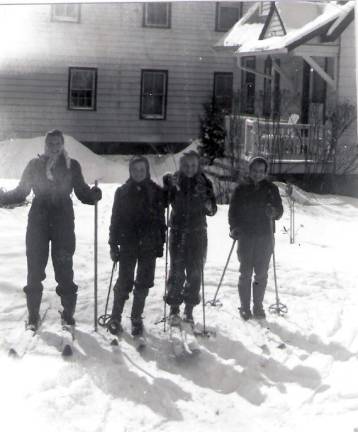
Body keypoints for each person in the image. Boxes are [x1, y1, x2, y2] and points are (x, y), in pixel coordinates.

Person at [0, 130, 102, 330]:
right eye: (50, 144)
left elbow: (82, 192)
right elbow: (22, 192)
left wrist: (93, 195)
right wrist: (2, 198)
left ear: (62, 145)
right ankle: (32, 316)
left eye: (57, 143)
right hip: (38, 221)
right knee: (35, 268)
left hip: (63, 220)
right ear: (45, 145)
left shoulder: (72, 166)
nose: (54, 147)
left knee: (64, 268)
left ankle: (68, 315)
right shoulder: (34, 165)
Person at [108, 156, 165, 338]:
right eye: (135, 170)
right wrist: (113, 243)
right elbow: (115, 219)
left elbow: (160, 220)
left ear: (147, 171)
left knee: (143, 282)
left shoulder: (156, 191)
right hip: (128, 243)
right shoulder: (122, 192)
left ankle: (136, 318)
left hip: (148, 244)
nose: (138, 173)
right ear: (130, 171)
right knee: (124, 280)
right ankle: (115, 316)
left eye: (142, 170)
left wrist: (160, 242)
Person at [163, 150, 217, 326]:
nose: (189, 169)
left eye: (193, 165)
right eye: (186, 165)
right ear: (181, 165)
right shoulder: (175, 180)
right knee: (177, 271)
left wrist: (208, 205)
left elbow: (212, 210)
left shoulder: (204, 183)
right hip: (178, 232)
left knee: (194, 272)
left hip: (198, 233)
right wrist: (166, 186)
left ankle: (189, 310)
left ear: (198, 166)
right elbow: (164, 201)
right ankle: (174, 309)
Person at [229, 156, 283, 320]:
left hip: (265, 237)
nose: (257, 174)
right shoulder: (241, 189)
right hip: (246, 236)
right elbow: (233, 212)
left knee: (261, 274)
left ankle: (258, 306)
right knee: (245, 272)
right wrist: (234, 228)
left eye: (261, 171)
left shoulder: (271, 189)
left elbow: (279, 211)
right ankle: (245, 307)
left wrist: (274, 212)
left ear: (265, 172)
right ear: (249, 170)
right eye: (254, 170)